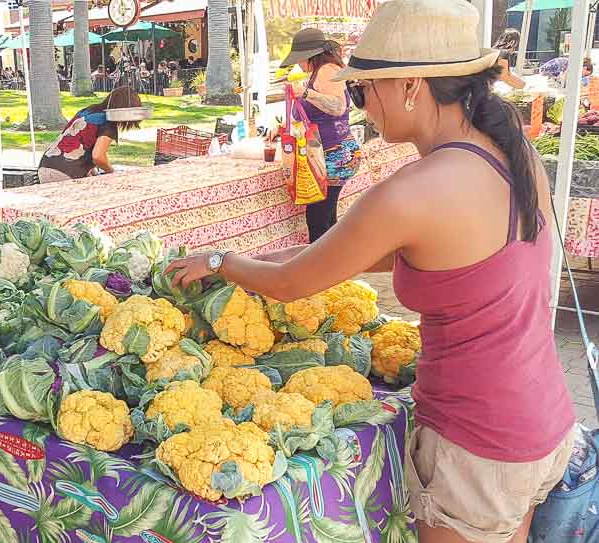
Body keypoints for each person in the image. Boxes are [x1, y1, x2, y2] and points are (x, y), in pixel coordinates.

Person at [167, 2, 575, 543]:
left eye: (363, 92)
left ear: (410, 85)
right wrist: (247, 265)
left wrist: (222, 261)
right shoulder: (509, 151)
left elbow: (294, 286)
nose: (359, 107)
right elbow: (346, 256)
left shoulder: (413, 191)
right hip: (541, 421)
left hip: (478, 445)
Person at [266, 28, 361, 242]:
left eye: (300, 59)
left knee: (318, 219)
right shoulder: (322, 71)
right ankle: (334, 268)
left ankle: (322, 269)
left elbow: (338, 106)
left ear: (311, 56)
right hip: (336, 152)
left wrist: (306, 93)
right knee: (326, 217)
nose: (299, 64)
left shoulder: (326, 70)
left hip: (334, 154)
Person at [38, 85, 142, 183]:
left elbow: (81, 145)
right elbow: (98, 156)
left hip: (46, 165)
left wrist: (92, 172)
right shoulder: (108, 123)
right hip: (65, 173)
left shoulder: (88, 111)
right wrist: (112, 172)